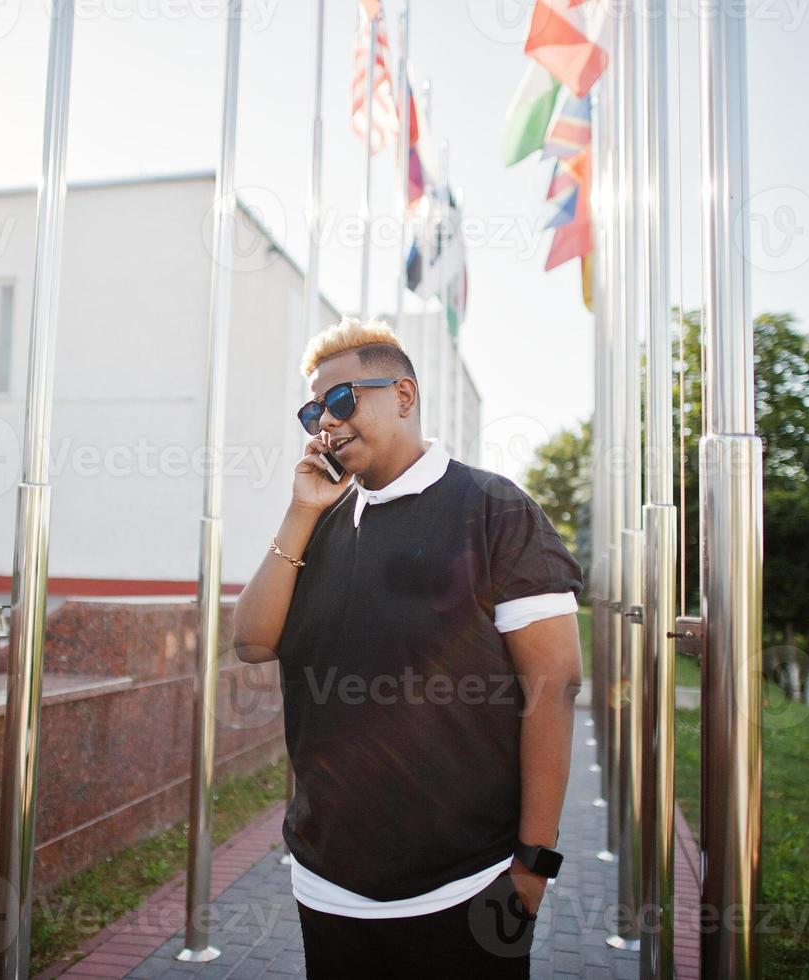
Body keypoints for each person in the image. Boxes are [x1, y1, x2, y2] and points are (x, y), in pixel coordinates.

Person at [232, 316, 585, 978]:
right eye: (312, 411)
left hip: (466, 882)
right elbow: (251, 641)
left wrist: (534, 865)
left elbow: (554, 687)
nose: (325, 425)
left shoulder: (494, 510)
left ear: (402, 395)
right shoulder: (320, 522)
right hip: (325, 879)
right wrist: (301, 512)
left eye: (341, 401)